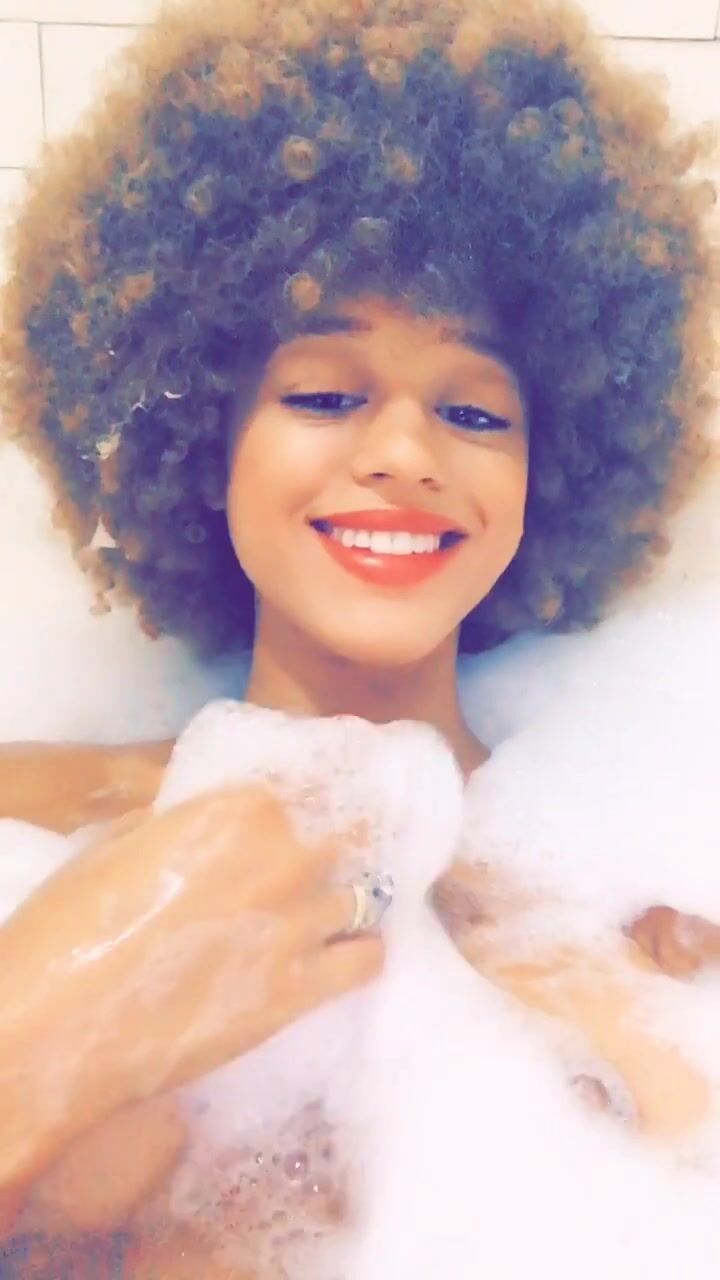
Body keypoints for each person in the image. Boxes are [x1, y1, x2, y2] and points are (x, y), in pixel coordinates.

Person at [0, 0, 718, 1274]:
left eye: (477, 412)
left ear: (547, 477)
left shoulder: (640, 902)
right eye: (326, 392)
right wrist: (48, 1020)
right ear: (203, 446)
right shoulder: (34, 826)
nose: (404, 453)